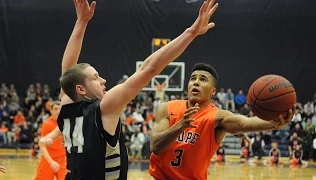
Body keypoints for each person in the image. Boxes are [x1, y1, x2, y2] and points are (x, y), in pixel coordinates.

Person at [38, 0, 220, 179]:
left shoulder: (67, 103)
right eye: (95, 78)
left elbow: (68, 70)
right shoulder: (104, 108)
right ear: (81, 89)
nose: (103, 80)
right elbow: (149, 68)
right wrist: (192, 32)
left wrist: (81, 22)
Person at [149, 63, 295, 179]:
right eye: (193, 78)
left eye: (203, 79)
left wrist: (273, 123)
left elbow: (244, 123)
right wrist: (181, 125)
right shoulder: (167, 108)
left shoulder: (217, 117)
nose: (196, 82)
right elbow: (155, 146)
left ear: (213, 91)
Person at [35, 101, 67, 180]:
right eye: (56, 109)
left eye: (60, 108)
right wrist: (50, 161)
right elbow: (42, 144)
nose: (58, 111)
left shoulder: (66, 122)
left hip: (63, 158)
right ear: (51, 111)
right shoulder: (47, 124)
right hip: (49, 159)